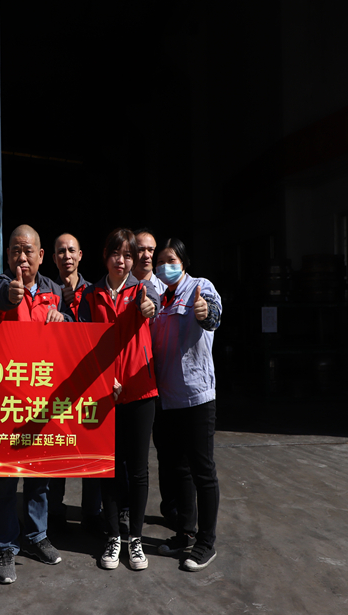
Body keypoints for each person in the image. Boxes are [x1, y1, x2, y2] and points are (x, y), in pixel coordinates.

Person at [0, 224, 67, 584]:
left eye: (28, 251)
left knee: (39, 477)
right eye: (15, 251)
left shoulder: (54, 290)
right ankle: (7, 545)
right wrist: (11, 296)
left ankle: (37, 536)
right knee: (5, 480)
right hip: (6, 401)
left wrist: (63, 318)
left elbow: (72, 334)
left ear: (41, 256)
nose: (22, 258)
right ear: (7, 255)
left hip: (42, 399)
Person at [77, 228, 158, 571]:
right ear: (105, 256)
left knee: (138, 470)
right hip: (104, 393)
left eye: (127, 255)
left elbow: (154, 307)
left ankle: (135, 538)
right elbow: (81, 342)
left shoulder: (143, 290)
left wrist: (149, 308)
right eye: (116, 254)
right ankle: (113, 536)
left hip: (140, 391)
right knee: (108, 467)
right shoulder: (90, 294)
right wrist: (102, 379)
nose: (121, 261)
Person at [151, 237, 222, 572]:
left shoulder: (199, 287)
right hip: (168, 399)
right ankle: (185, 532)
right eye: (160, 261)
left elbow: (213, 316)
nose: (165, 266)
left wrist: (205, 313)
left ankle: (206, 543)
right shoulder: (159, 298)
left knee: (202, 471)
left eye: (171, 260)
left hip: (196, 397)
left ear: (183, 261)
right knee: (177, 469)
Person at [47, 233, 103, 536]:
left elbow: (98, 335)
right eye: (61, 251)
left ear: (80, 255)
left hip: (88, 383)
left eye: (71, 250)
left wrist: (74, 308)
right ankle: (54, 510)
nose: (66, 255)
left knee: (90, 448)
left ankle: (92, 513)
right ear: (53, 257)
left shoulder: (94, 292)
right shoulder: (47, 291)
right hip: (55, 382)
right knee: (57, 447)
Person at [133, 228, 178, 529]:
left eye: (151, 249)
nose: (147, 255)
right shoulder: (122, 284)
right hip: (133, 382)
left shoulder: (167, 288)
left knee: (168, 449)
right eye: (141, 249)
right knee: (130, 454)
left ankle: (171, 508)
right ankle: (125, 510)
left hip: (163, 380)